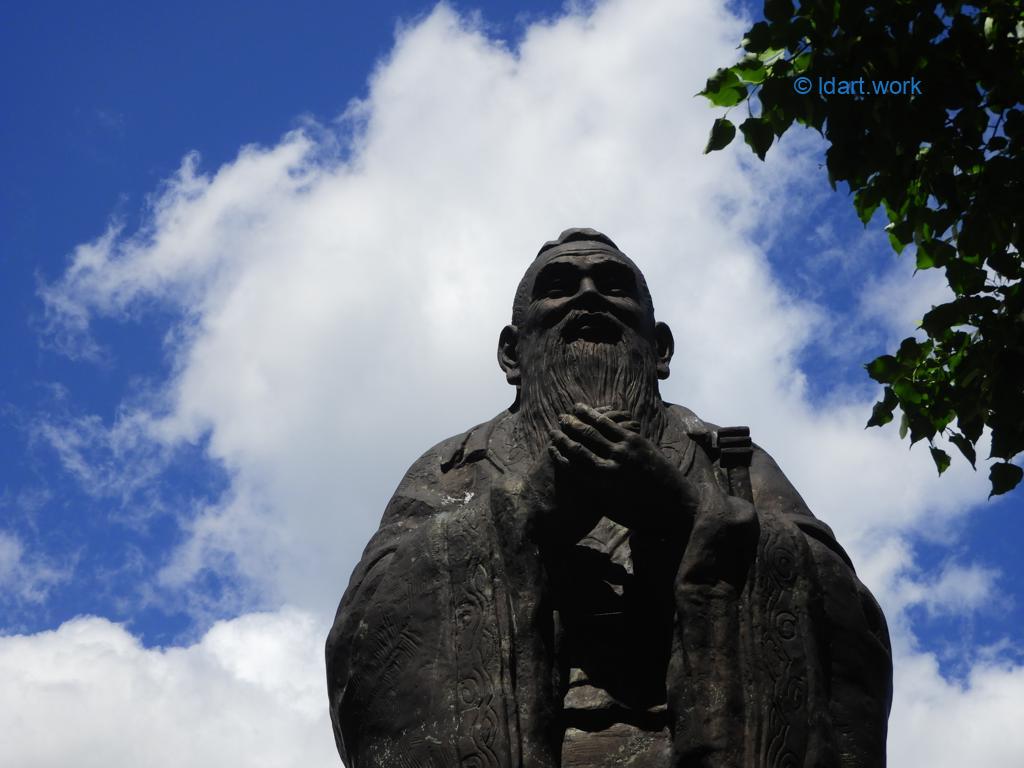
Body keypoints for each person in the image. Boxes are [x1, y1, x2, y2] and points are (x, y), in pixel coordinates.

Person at [326, 228, 892, 767]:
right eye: (558, 288)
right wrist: (523, 510)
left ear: (661, 347)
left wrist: (690, 510)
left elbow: (844, 614)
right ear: (510, 354)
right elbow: (368, 628)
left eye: (614, 286)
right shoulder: (454, 470)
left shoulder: (728, 464)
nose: (589, 297)